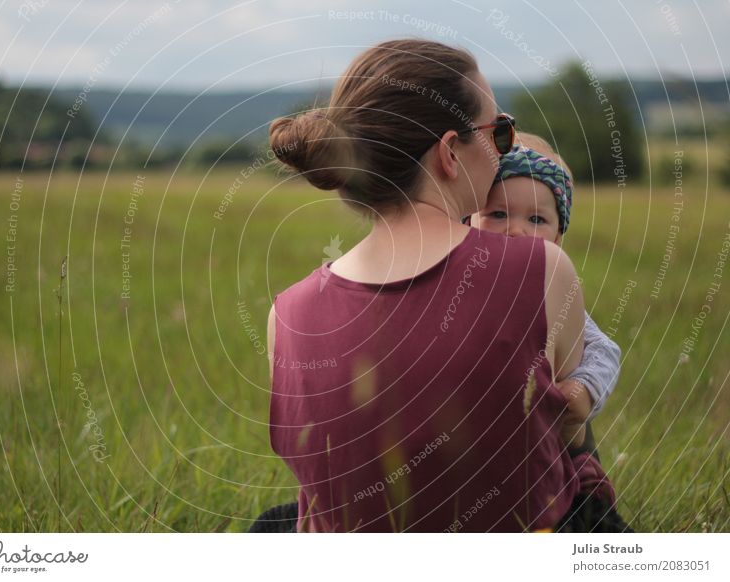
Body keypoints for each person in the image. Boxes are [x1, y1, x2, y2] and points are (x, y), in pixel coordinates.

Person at [253, 39, 629, 532]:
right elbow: (565, 424)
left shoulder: (286, 315)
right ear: (450, 152)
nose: (506, 149)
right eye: (499, 133)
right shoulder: (542, 268)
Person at [469, 133, 622, 456]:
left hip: (547, 429)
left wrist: (583, 390)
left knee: (576, 436)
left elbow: (603, 349)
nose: (516, 230)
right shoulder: (459, 285)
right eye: (498, 214)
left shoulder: (550, 294)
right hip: (477, 433)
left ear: (557, 240)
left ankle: (584, 487)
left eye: (536, 219)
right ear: (467, 221)